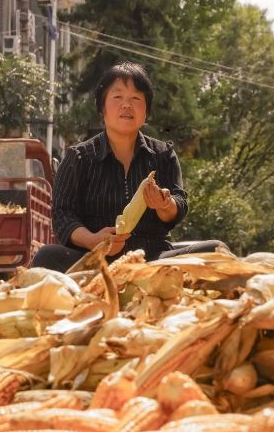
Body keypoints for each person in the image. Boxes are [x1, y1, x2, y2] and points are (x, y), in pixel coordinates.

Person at [32, 62, 227, 273]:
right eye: (117, 96)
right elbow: (62, 213)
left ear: (146, 110)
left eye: (136, 98)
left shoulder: (163, 155)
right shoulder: (79, 157)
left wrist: (164, 203)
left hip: (153, 261)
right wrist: (92, 240)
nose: (127, 105)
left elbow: (178, 207)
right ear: (102, 107)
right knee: (46, 256)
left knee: (216, 250)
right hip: (95, 264)